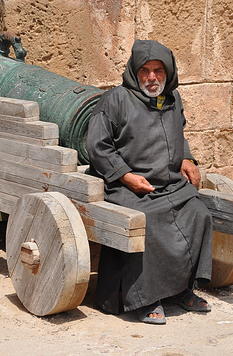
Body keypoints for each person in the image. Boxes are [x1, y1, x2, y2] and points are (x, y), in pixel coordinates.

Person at [86, 40, 213, 325]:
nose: (152, 77)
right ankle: (146, 299)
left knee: (198, 214)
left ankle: (182, 290)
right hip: (129, 186)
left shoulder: (173, 98)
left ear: (168, 73)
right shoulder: (115, 100)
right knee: (149, 221)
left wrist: (187, 158)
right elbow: (98, 146)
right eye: (145, 70)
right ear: (134, 72)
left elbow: (178, 135)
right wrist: (126, 176)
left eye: (158, 70)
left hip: (169, 185)